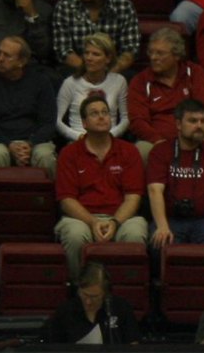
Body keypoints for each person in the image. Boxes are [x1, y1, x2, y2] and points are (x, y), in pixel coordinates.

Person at [56, 92, 152, 275]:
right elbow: (67, 200)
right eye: (94, 113)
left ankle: (126, 294)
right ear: (84, 123)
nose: (101, 116)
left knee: (136, 231)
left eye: (105, 112)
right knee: (74, 235)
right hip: (82, 218)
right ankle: (81, 291)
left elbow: (133, 197)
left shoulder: (129, 151)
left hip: (121, 217)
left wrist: (115, 222)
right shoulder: (69, 153)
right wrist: (92, 222)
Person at [146, 98, 204, 249]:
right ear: (178, 124)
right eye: (192, 121)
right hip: (171, 219)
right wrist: (162, 226)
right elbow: (155, 190)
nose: (199, 126)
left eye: (202, 121)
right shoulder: (161, 152)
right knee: (159, 244)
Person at [0, 34, 59, 170]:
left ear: (22, 62)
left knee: (45, 156)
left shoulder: (40, 81)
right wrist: (8, 144)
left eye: (7, 56)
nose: (0, 59)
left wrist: (30, 143)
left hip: (33, 140)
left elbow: (48, 122)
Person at [127, 27, 204, 154]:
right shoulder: (140, 81)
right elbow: (137, 120)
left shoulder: (194, 73)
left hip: (194, 136)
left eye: (160, 53)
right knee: (141, 150)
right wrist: (157, 140)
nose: (153, 57)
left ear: (176, 55)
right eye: (151, 52)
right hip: (155, 141)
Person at [54, 0, 142, 75]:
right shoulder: (65, 6)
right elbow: (63, 50)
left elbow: (130, 49)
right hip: (78, 67)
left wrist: (110, 71)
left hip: (112, 69)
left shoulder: (123, 6)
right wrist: (90, 71)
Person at [58, 33, 133, 144]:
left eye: (95, 54)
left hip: (110, 140)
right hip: (78, 141)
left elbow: (125, 118)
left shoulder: (119, 81)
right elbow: (56, 120)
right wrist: (78, 136)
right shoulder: (70, 83)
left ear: (108, 58)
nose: (89, 58)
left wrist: (110, 135)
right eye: (86, 53)